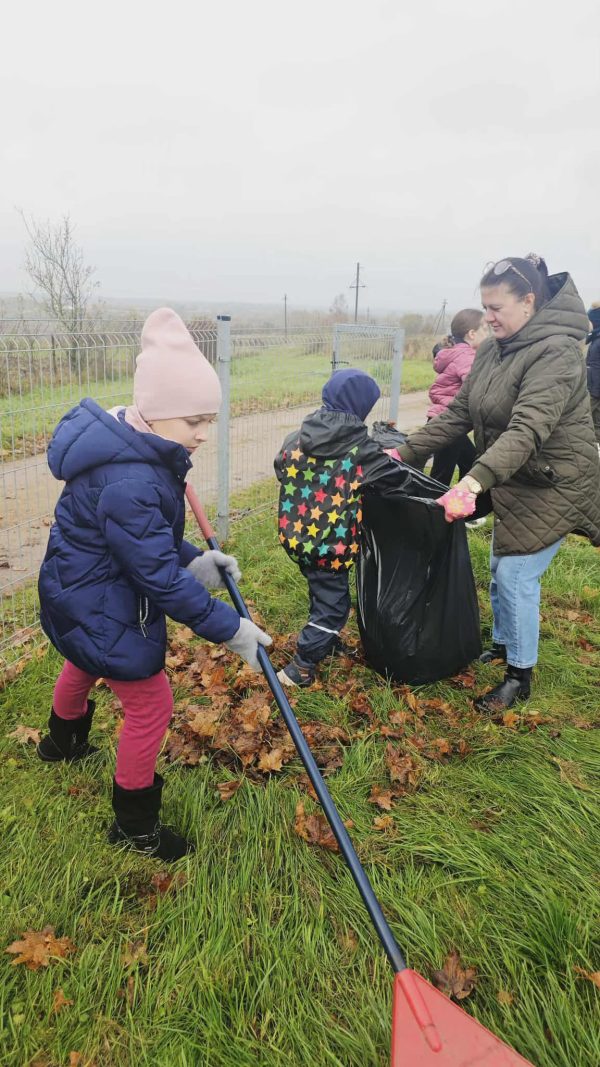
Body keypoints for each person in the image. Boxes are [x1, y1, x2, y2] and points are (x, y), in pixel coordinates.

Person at [37, 308, 272, 861]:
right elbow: (157, 575)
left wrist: (199, 561)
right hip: (99, 600)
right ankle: (134, 825)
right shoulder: (132, 479)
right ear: (157, 412)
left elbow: (146, 543)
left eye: (209, 420)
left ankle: (60, 743)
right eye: (193, 421)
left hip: (76, 592)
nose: (203, 433)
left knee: (85, 658)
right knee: (150, 705)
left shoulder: (134, 450)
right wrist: (230, 628)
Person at [397, 255, 600, 711]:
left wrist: (472, 482)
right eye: (484, 307)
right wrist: (404, 452)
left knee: (515, 575)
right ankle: (505, 644)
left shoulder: (557, 352)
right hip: (514, 476)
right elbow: (458, 414)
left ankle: (519, 676)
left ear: (528, 301)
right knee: (500, 563)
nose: (487, 317)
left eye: (496, 308)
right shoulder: (493, 350)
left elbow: (527, 429)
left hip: (555, 481)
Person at [274, 368, 397, 688]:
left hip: (296, 536)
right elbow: (390, 479)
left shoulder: (296, 437)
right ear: (362, 406)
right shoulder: (362, 449)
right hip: (332, 544)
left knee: (321, 589)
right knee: (334, 607)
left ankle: (326, 639)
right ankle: (301, 666)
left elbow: (280, 467)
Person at [427, 309, 488, 487]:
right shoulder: (467, 356)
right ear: (472, 334)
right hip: (448, 421)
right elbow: (474, 385)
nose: (488, 334)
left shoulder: (455, 352)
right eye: (485, 329)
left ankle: (460, 501)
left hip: (443, 419)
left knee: (469, 462)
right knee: (441, 476)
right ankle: (431, 504)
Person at [586, 303, 600, 444]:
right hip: (592, 386)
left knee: (583, 415)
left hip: (596, 389)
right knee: (595, 420)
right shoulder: (595, 338)